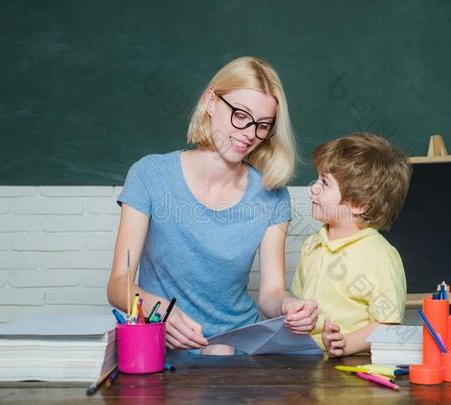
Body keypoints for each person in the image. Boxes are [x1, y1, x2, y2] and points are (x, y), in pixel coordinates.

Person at [107, 56, 318, 355]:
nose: (249, 134)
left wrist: (289, 306)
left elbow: (270, 293)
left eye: (262, 125)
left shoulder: (272, 196)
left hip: (237, 354)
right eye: (241, 116)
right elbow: (118, 284)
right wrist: (161, 311)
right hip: (159, 352)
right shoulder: (149, 175)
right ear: (210, 102)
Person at [291, 133, 412, 357]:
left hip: (352, 368)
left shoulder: (379, 256)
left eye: (324, 183)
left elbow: (388, 325)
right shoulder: (313, 243)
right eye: (317, 179)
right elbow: (300, 300)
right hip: (306, 361)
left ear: (358, 204)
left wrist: (345, 343)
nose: (313, 189)